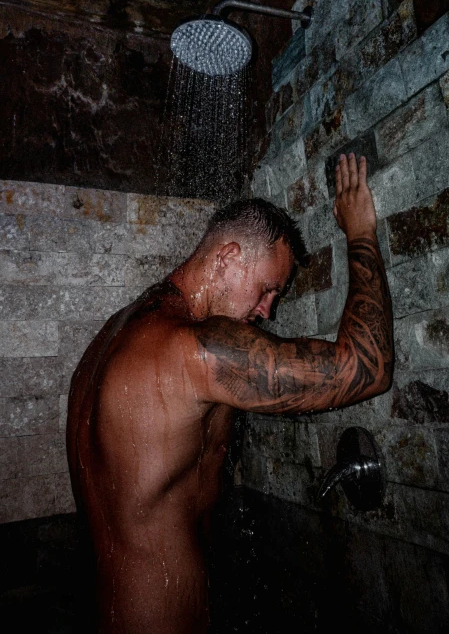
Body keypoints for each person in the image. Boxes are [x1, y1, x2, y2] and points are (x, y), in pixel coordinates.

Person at [66, 152, 394, 634]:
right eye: (268, 289)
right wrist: (361, 230)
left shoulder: (106, 343)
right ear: (228, 257)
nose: (267, 310)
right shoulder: (192, 350)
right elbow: (367, 366)